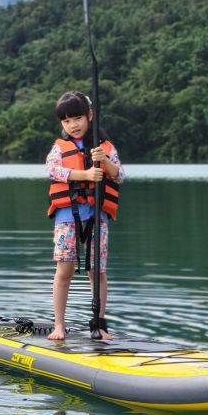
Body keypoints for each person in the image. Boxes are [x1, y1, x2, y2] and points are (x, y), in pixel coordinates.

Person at [45, 91, 124, 341]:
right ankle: (59, 325)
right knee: (64, 270)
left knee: (96, 271)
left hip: (97, 218)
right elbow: (52, 170)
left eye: (78, 118)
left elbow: (119, 174)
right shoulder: (59, 148)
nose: (73, 125)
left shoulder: (104, 147)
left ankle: (99, 324)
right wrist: (85, 175)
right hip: (67, 217)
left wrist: (105, 163)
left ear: (90, 115)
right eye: (66, 121)